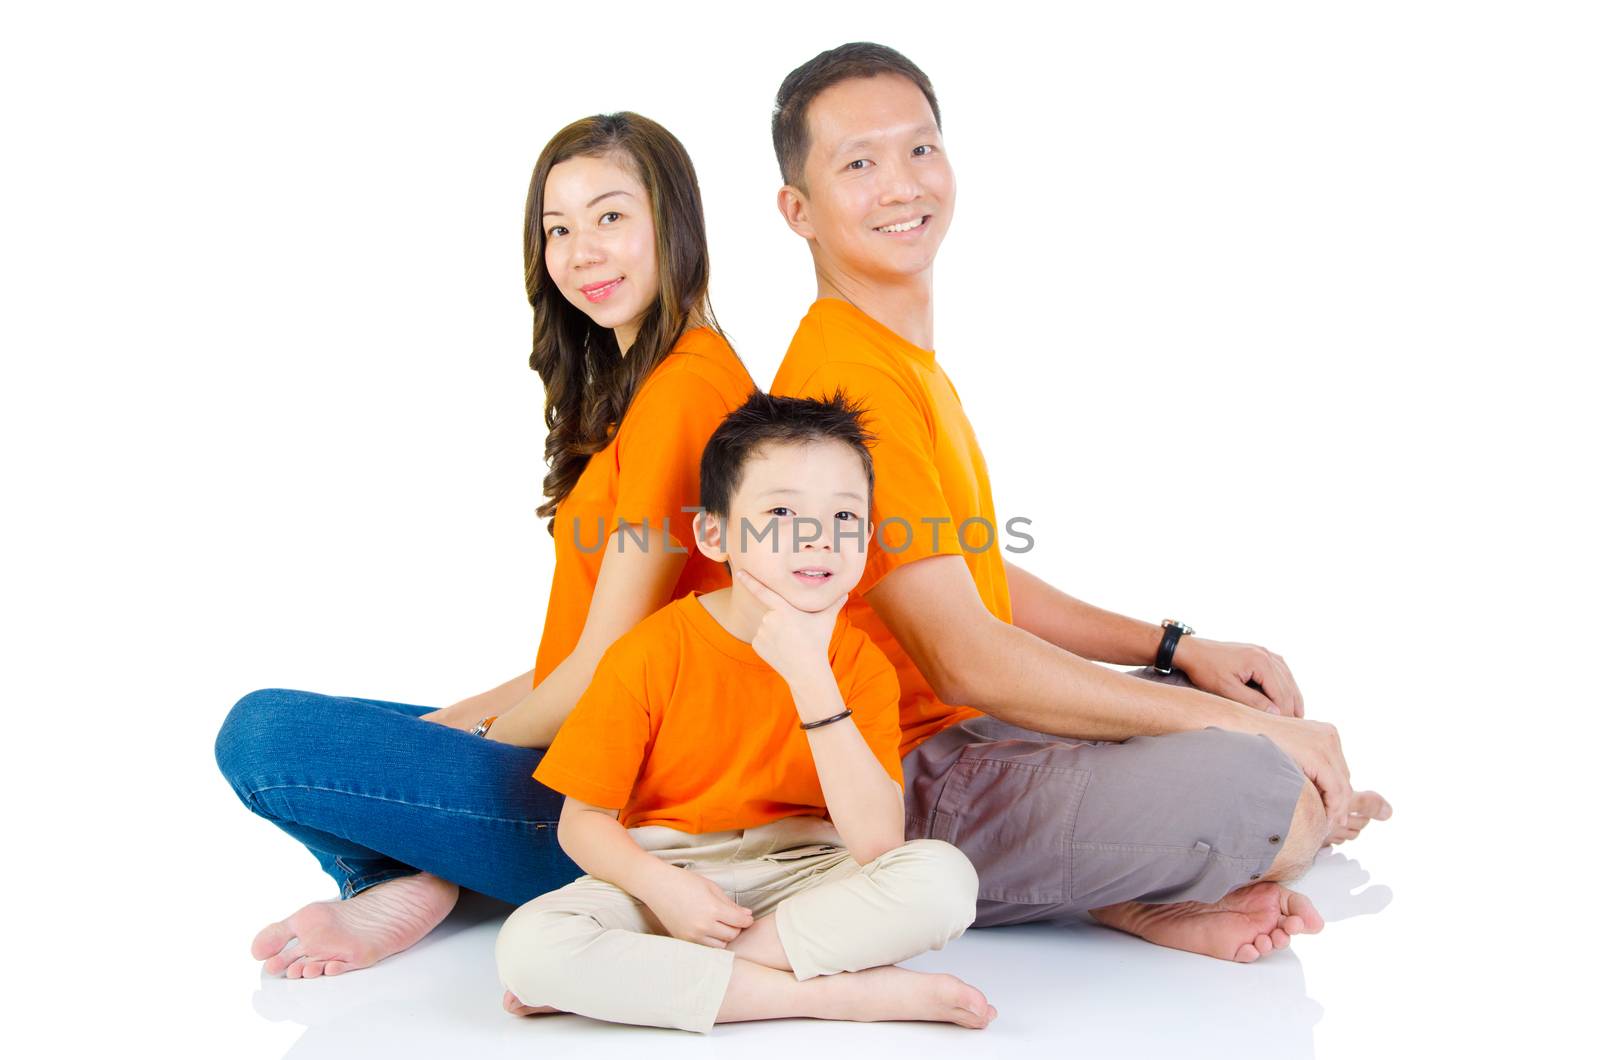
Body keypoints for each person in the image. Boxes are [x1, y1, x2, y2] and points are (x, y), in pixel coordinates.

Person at [766, 43, 1392, 962]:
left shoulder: (895, 358)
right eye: (857, 163)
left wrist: (1174, 648)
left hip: (980, 734)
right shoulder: (844, 380)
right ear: (799, 210)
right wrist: (1251, 732)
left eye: (919, 150)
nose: (900, 186)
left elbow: (973, 578)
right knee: (1264, 791)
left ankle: (1132, 887)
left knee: (1215, 704)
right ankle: (1150, 873)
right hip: (907, 774)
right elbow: (968, 657)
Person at [213, 112, 757, 979]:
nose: (581, 252)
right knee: (400, 728)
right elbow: (580, 655)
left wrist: (475, 745)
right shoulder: (661, 385)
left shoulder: (686, 392)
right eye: (558, 228)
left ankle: (406, 875)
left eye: (611, 216)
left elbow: (606, 664)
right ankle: (423, 875)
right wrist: (454, 727)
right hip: (591, 759)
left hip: (621, 814)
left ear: (675, 222)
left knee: (263, 735)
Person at [495, 392, 994, 1033]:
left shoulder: (859, 664)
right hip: (668, 872)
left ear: (867, 541)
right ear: (715, 533)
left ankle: (656, 979)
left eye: (844, 517)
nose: (817, 537)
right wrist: (663, 889)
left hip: (807, 872)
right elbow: (581, 825)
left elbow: (876, 844)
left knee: (942, 880)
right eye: (782, 511)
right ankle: (832, 995)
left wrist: (810, 672)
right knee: (530, 946)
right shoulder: (652, 650)